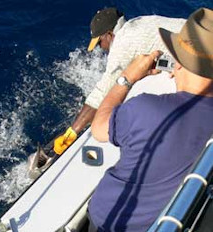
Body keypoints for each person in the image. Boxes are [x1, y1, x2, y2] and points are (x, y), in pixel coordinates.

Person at [88, 7, 213, 232]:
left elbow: (98, 128)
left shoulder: (147, 108)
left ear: (178, 63)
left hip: (109, 222)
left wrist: (127, 78)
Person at [53, 7, 186, 155]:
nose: (100, 48)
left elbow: (101, 94)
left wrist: (71, 134)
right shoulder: (139, 21)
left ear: (109, 34)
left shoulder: (122, 44)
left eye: (99, 42)